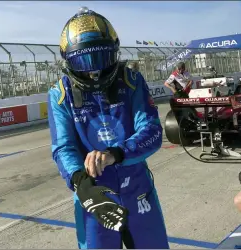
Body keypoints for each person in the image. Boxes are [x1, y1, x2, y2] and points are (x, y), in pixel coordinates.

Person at [47, 7, 169, 249]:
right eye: (84, 61)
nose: (94, 71)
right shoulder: (60, 94)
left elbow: (152, 131)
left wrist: (116, 153)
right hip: (94, 197)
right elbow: (63, 147)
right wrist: (80, 180)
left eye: (100, 58)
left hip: (138, 189)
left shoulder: (132, 81)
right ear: (68, 60)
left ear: (114, 52)